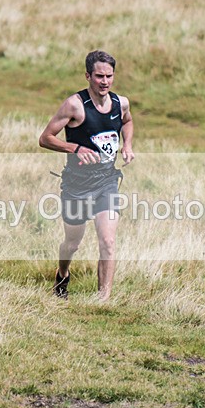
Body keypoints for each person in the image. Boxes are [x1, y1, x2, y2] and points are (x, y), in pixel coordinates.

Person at [38, 50, 135, 302]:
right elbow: (45, 138)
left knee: (108, 241)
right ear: (88, 76)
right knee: (73, 243)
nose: (105, 82)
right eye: (99, 76)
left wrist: (127, 145)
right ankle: (62, 274)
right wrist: (75, 148)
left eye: (109, 76)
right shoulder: (75, 105)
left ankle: (103, 299)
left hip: (106, 181)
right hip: (76, 184)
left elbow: (127, 121)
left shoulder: (120, 103)